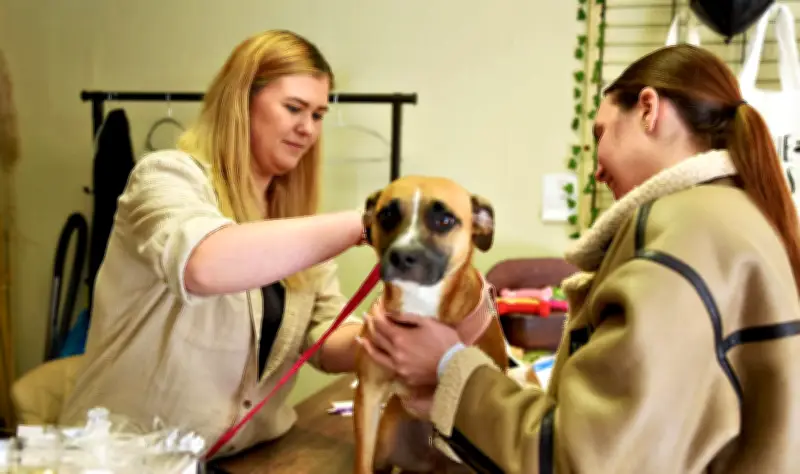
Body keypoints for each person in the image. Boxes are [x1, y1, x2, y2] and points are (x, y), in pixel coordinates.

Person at [358, 44, 800, 473]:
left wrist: (450, 368)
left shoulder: (685, 235)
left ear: (648, 109)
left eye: (600, 134)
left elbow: (584, 459)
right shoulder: (729, 217)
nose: (597, 168)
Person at [59, 30, 367, 458]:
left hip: (242, 456)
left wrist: (385, 336)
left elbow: (325, 335)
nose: (307, 128)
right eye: (294, 108)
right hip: (126, 460)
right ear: (240, 101)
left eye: (317, 115)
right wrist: (366, 222)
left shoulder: (294, 223)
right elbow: (203, 263)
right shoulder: (165, 178)